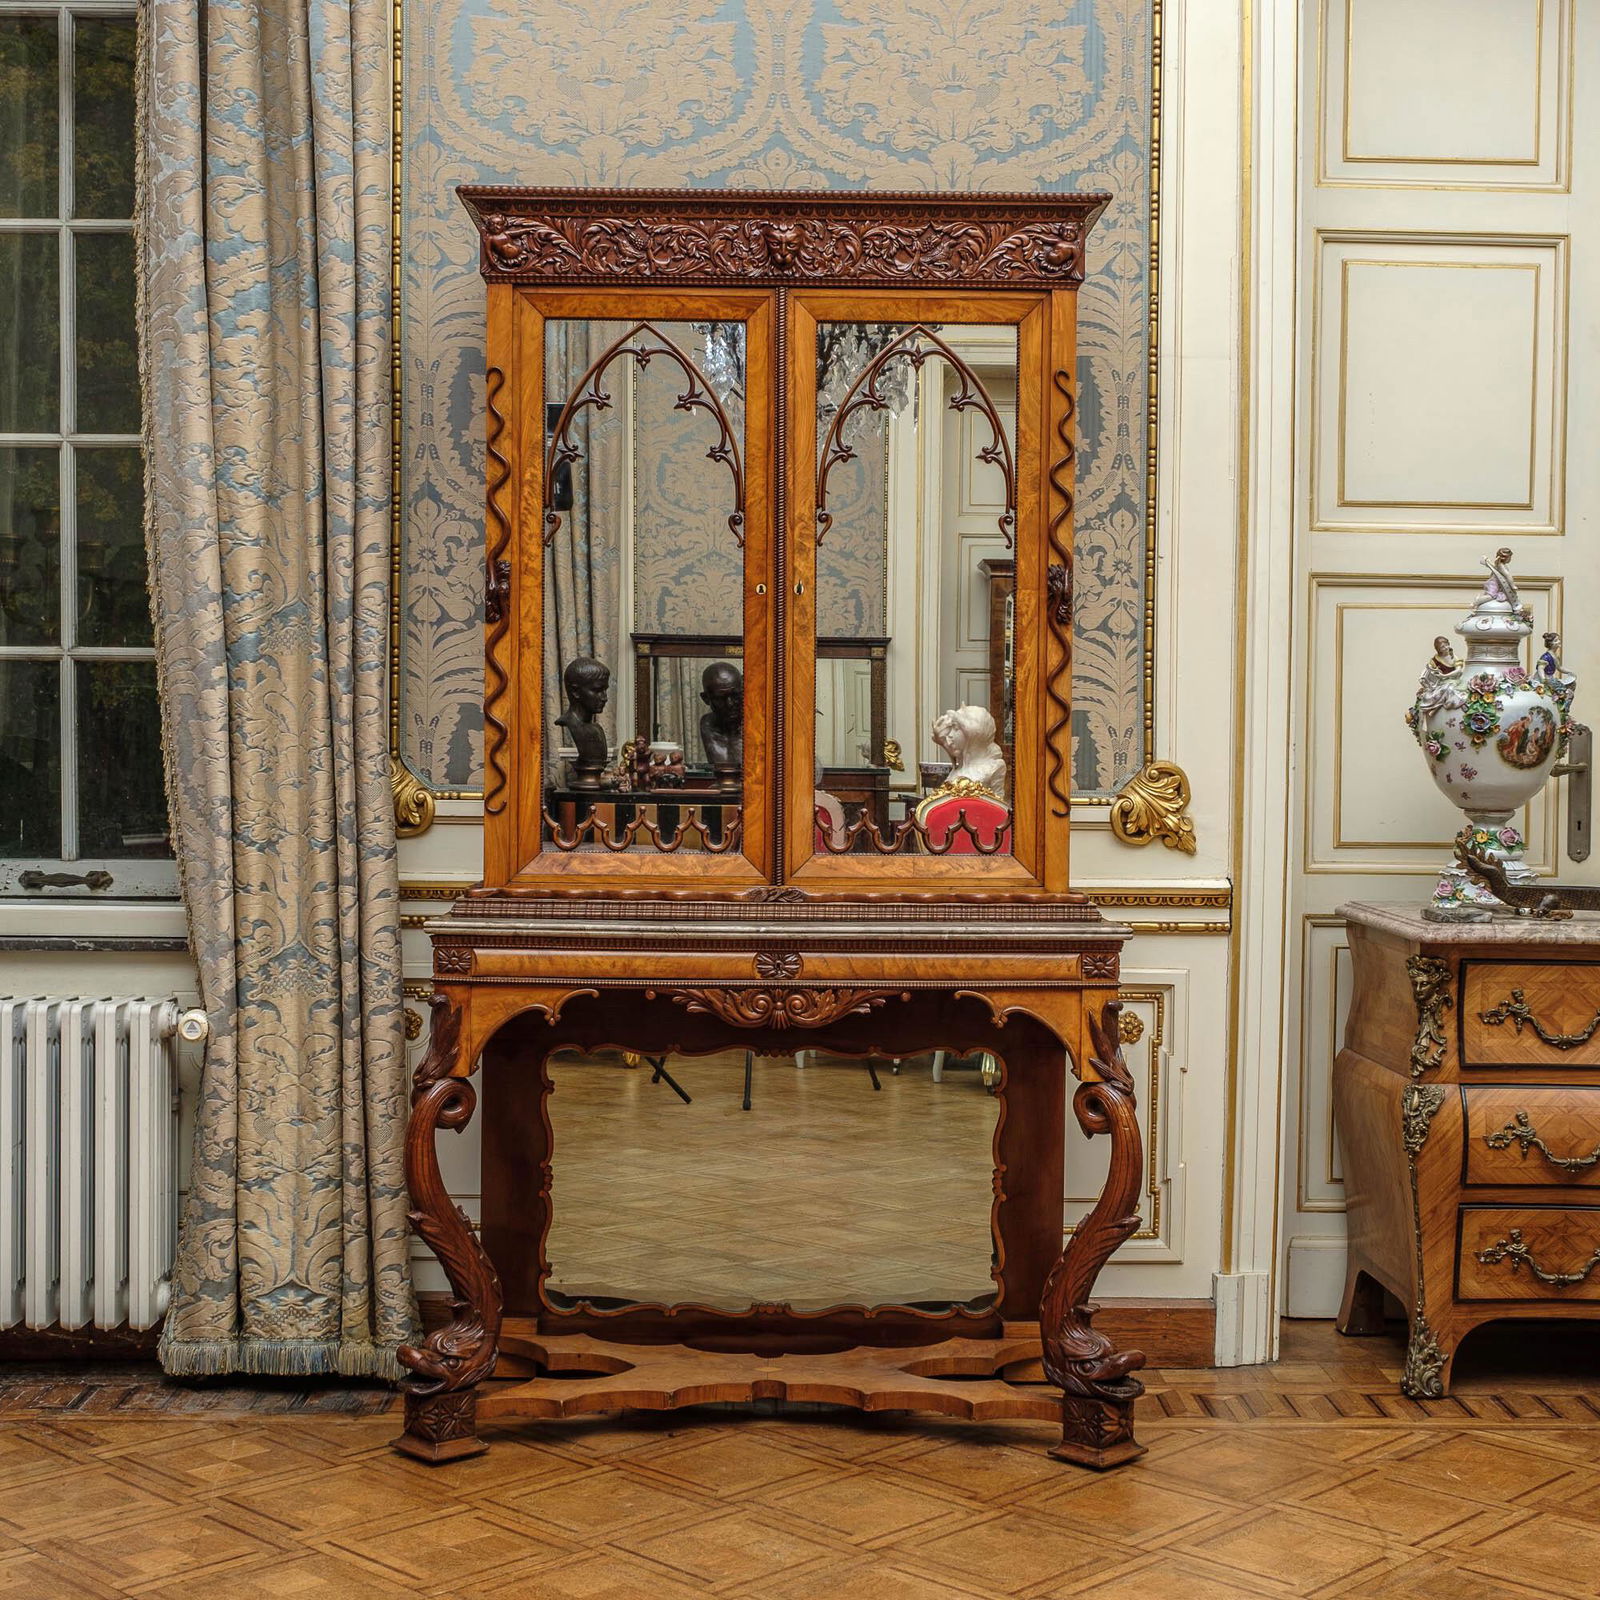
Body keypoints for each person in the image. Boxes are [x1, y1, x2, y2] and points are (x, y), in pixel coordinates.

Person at [556, 656, 610, 786]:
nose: (604, 698)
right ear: (575, 692)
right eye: (597, 690)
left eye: (605, 690)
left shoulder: (597, 730)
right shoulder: (571, 725)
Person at [930, 705, 1006, 797]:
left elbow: (997, 807)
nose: (950, 735)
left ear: (973, 732)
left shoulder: (993, 767)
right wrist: (941, 739)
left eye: (956, 728)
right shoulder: (961, 766)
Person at [699, 661, 744, 768]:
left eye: (736, 695)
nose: (730, 704)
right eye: (721, 698)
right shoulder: (706, 724)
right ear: (706, 698)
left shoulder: (759, 724)